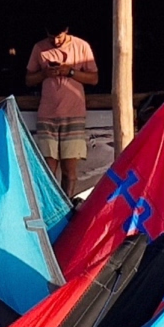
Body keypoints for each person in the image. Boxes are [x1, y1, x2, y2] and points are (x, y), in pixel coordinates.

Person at [26, 24, 99, 197]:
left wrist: (70, 71)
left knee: (69, 169)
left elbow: (94, 78)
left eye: (59, 36)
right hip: (47, 114)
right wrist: (45, 74)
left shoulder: (81, 46)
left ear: (66, 30)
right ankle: (50, 206)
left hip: (73, 113)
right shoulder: (39, 48)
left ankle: (66, 206)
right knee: (48, 168)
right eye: (51, 37)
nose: (55, 41)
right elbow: (29, 79)